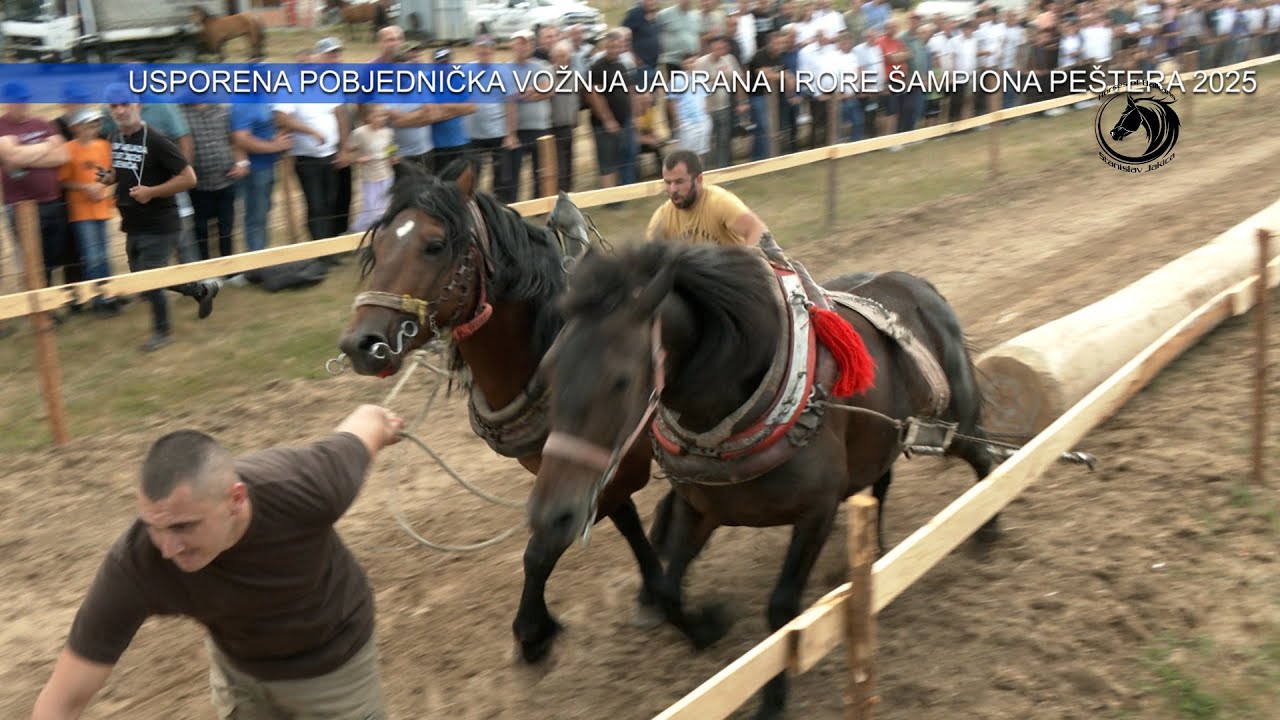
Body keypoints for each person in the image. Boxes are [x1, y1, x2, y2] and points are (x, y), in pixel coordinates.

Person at [30, 403, 405, 720]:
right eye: (154, 527)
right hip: (239, 672)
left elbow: (366, 421)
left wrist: (384, 422)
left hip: (335, 668)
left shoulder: (305, 485)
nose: (167, 548)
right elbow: (64, 699)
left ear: (236, 499)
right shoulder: (138, 563)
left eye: (183, 526)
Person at [97, 84, 218, 352]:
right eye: (114, 106)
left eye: (125, 104)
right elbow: (124, 168)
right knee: (141, 276)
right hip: (132, 221)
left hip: (159, 222)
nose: (120, 110)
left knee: (151, 280)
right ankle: (201, 291)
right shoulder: (116, 137)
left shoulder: (156, 140)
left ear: (138, 105)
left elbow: (189, 178)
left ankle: (162, 333)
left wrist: (151, 192)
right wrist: (109, 178)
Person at [645, 149, 769, 247]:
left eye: (679, 182)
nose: (673, 189)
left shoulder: (720, 202)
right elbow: (649, 257)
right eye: (668, 182)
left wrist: (748, 261)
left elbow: (758, 231)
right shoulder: (663, 217)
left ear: (699, 179)